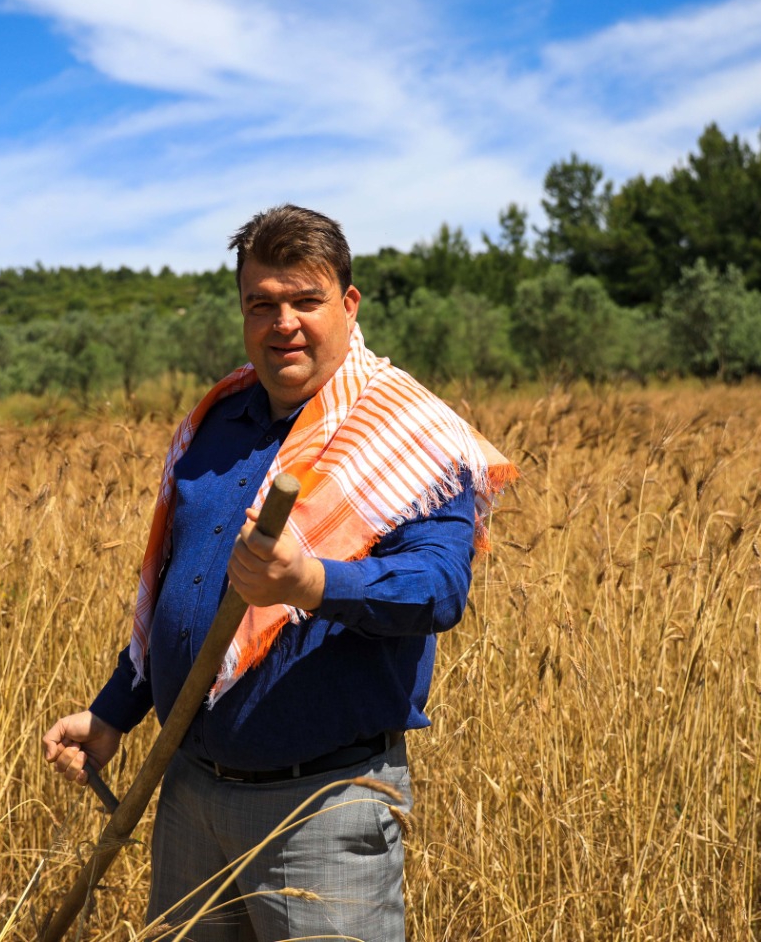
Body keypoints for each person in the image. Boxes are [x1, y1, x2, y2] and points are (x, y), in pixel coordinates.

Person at [43, 204, 514, 940]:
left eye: (305, 301)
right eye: (261, 303)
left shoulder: (410, 433)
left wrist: (313, 583)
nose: (282, 322)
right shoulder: (216, 422)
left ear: (349, 305)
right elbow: (181, 589)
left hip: (322, 809)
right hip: (190, 794)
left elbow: (439, 589)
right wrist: (112, 715)